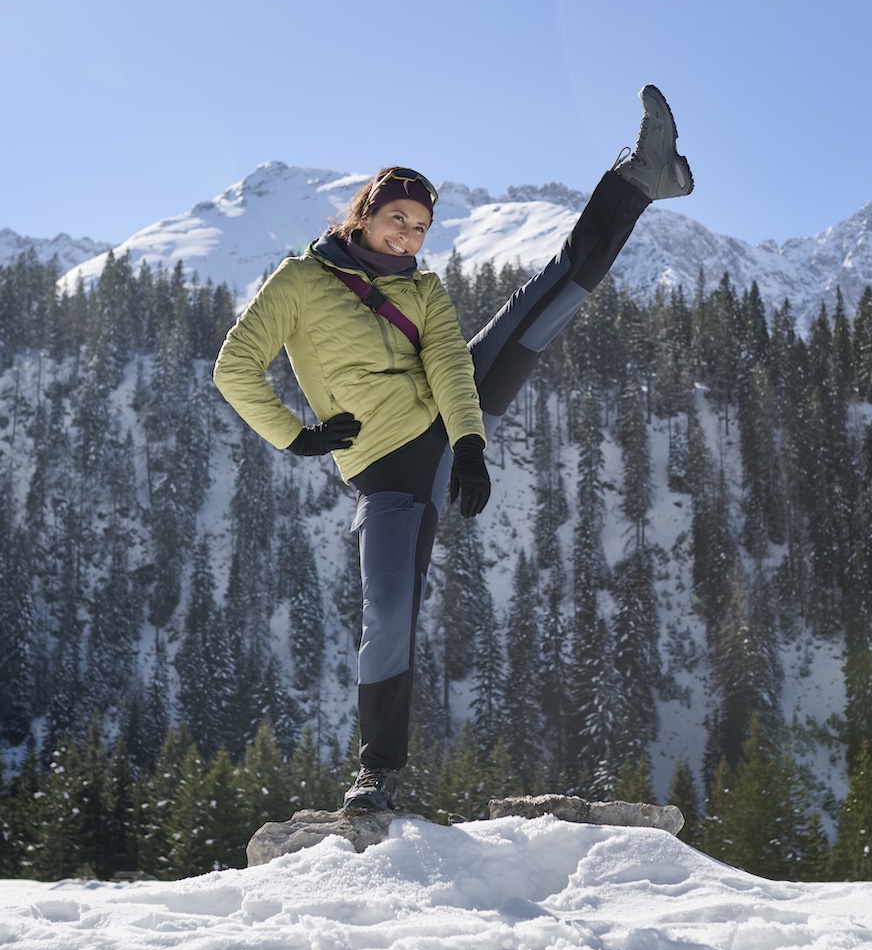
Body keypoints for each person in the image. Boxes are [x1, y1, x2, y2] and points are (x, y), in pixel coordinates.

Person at [213, 86, 693, 811]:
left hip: (446, 420)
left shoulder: (424, 290)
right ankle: (375, 773)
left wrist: (468, 445)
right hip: (388, 472)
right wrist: (296, 435)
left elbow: (446, 365)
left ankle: (640, 179)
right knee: (388, 614)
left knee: (544, 301)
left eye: (420, 228)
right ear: (365, 213)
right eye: (397, 220)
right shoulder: (300, 281)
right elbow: (235, 367)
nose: (407, 237)